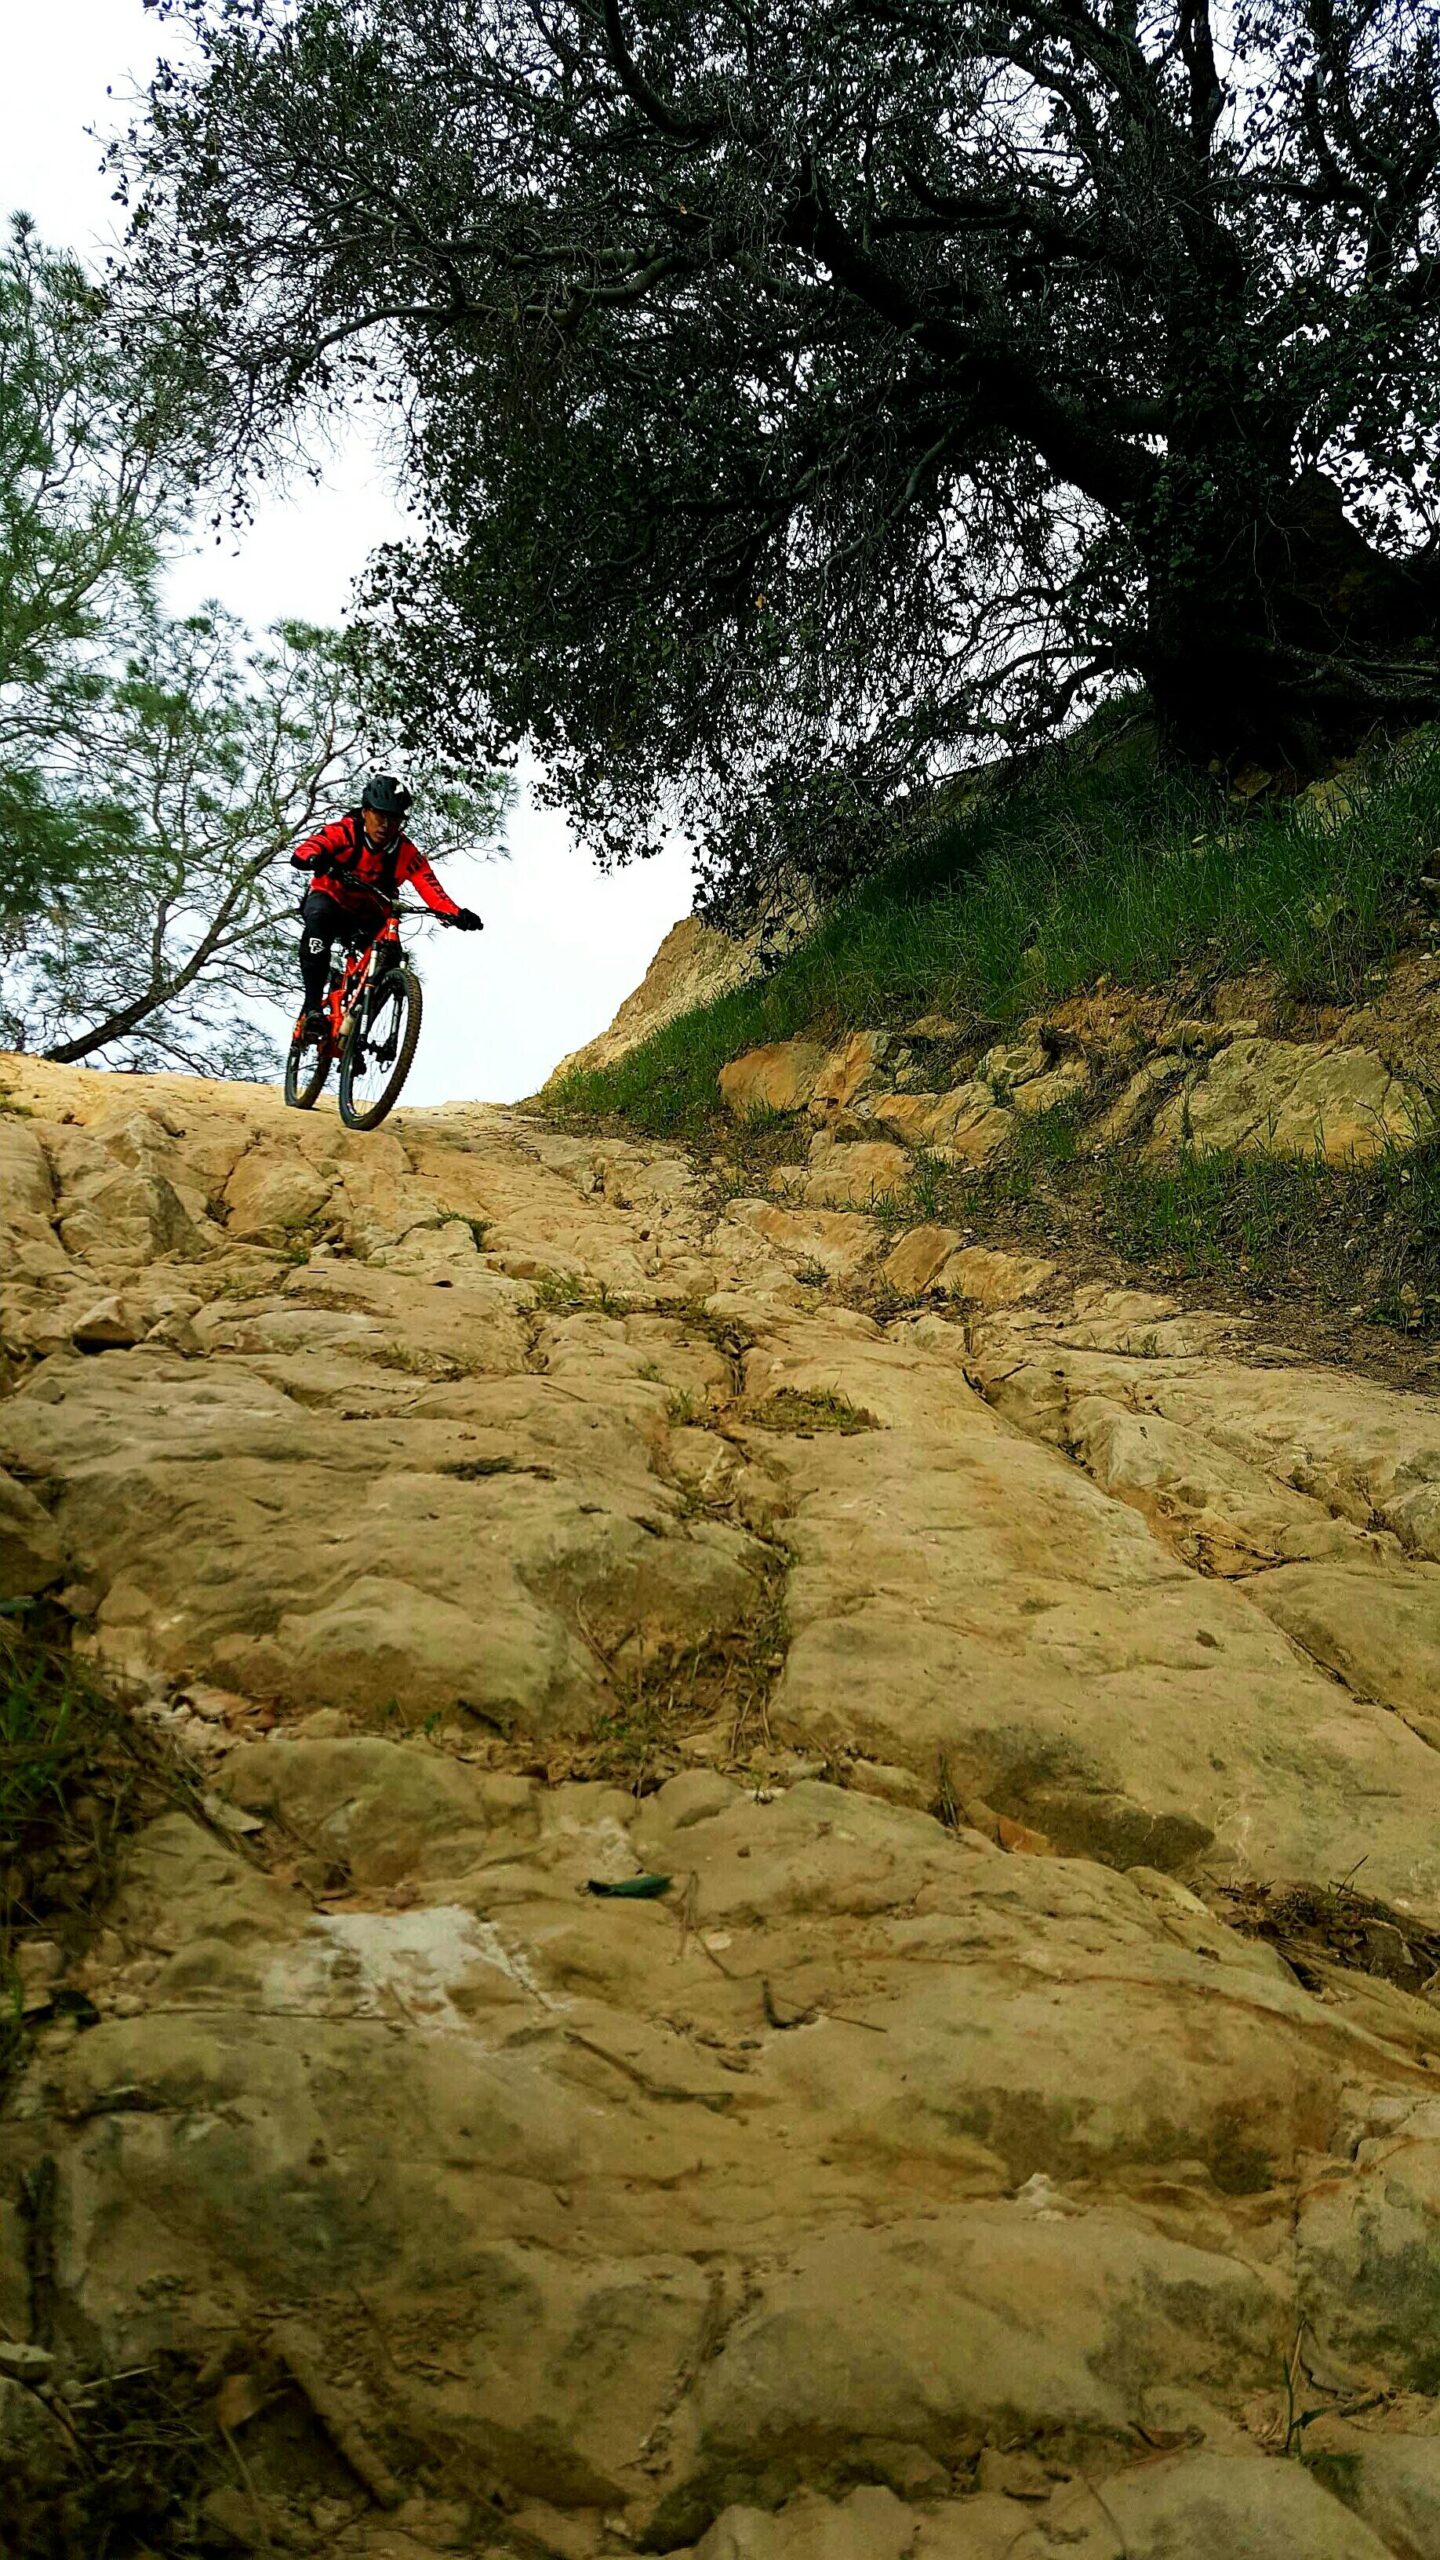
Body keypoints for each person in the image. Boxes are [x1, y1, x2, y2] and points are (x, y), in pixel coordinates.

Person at [290, 774, 483, 1038]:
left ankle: (357, 1035)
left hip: (369, 912)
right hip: (330, 899)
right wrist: (314, 859)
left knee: (390, 956)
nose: (386, 824)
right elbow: (310, 847)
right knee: (318, 928)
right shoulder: (344, 832)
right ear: (366, 811)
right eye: (380, 816)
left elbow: (431, 889)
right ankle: (312, 1010)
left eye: (394, 819)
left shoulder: (406, 853)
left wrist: (457, 915)